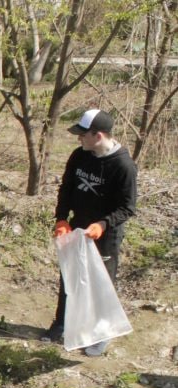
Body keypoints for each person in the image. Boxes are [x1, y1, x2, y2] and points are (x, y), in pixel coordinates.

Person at [40, 109, 137, 357]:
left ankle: (100, 333)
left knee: (100, 284)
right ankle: (62, 323)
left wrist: (103, 224)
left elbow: (127, 207)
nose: (79, 138)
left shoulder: (123, 165)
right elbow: (66, 188)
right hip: (77, 228)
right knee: (69, 276)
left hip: (105, 235)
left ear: (99, 136)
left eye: (83, 135)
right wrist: (62, 218)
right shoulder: (79, 156)